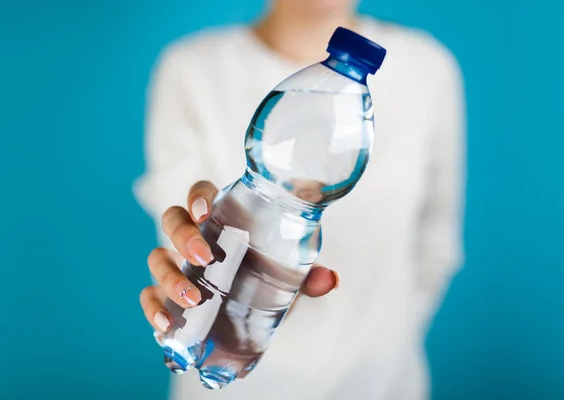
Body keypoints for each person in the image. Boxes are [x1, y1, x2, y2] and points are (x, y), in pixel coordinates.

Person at [134, 0, 466, 399]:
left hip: (383, 386)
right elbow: (186, 257)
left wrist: (381, 345)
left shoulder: (427, 69)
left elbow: (435, 249)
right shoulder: (190, 69)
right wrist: (229, 280)